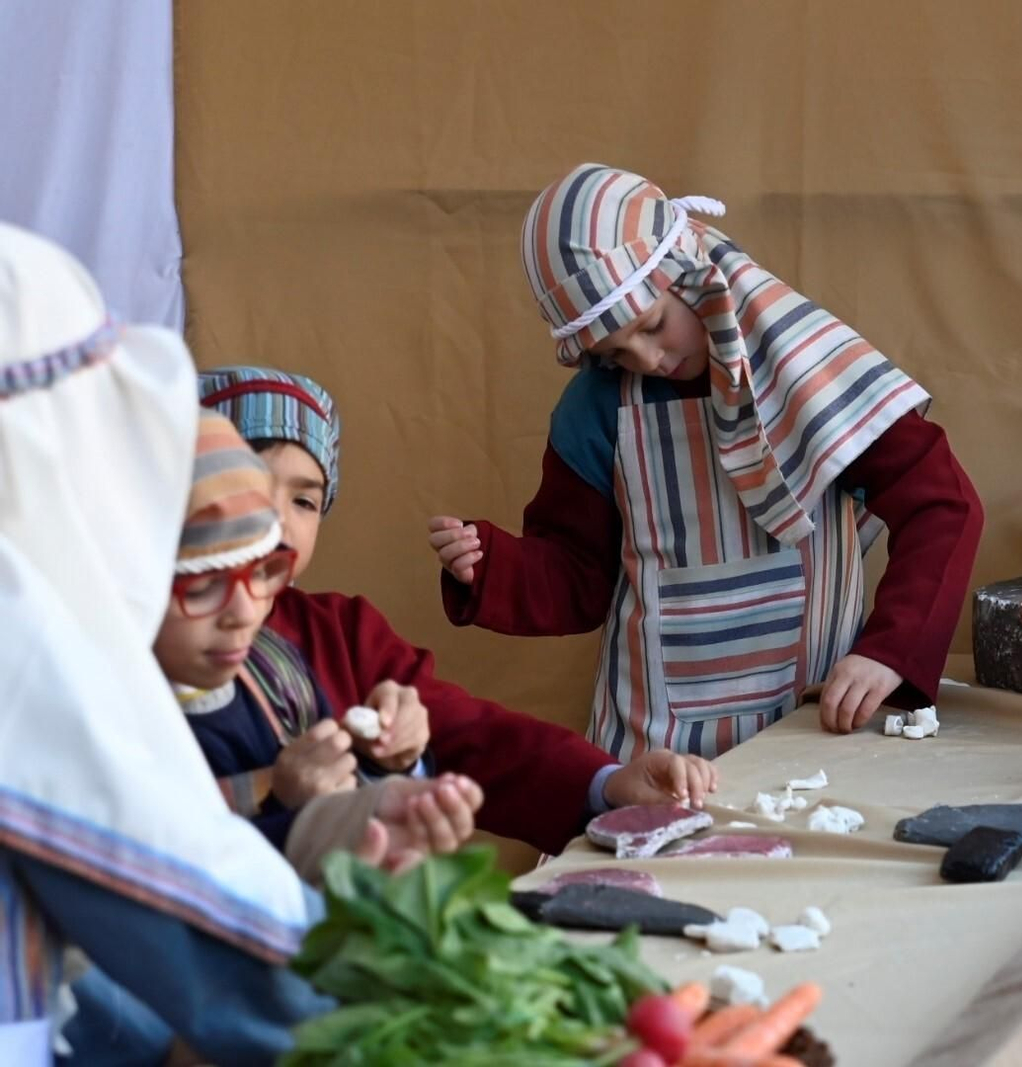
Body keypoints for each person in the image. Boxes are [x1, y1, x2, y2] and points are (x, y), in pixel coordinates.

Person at [0, 222, 456, 1066]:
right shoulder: (25, 648)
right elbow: (171, 888)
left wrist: (359, 811)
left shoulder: (285, 656)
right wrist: (354, 953)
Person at [429, 164, 984, 760]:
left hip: (813, 733)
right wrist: (494, 567)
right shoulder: (595, 409)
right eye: (615, 352)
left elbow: (942, 506)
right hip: (653, 748)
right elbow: (579, 575)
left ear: (691, 276)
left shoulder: (806, 371)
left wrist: (890, 651)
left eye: (652, 326)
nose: (647, 359)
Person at [198, 366, 719, 856]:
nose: (278, 520)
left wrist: (604, 783)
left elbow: (472, 737)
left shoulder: (341, 631)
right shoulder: (159, 649)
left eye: (305, 502)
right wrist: (275, 795)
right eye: (253, 487)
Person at [160, 411, 482, 869]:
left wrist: (382, 774)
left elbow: (343, 789)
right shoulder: (119, 720)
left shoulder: (278, 664)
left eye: (262, 572)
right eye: (202, 585)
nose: (245, 612)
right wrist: (289, 807)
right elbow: (162, 873)